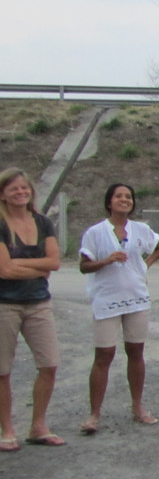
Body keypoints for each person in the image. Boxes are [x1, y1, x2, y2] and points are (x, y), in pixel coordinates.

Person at [78, 183, 159, 433]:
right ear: (109, 202)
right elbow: (84, 266)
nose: (124, 200)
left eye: (128, 196)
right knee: (103, 355)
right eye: (119, 196)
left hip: (136, 297)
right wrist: (106, 260)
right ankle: (94, 414)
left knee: (136, 352)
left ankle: (137, 407)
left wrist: (145, 266)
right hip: (107, 299)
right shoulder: (95, 232)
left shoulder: (140, 229)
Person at [0, 168, 64, 450]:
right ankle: (7, 429)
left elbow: (54, 262)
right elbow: (4, 270)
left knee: (49, 364)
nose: (21, 193)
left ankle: (38, 426)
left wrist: (19, 264)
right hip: (5, 304)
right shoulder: (1, 224)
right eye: (14, 188)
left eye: (24, 188)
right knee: (2, 370)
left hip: (39, 302)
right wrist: (39, 268)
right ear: (3, 194)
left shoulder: (42, 222)